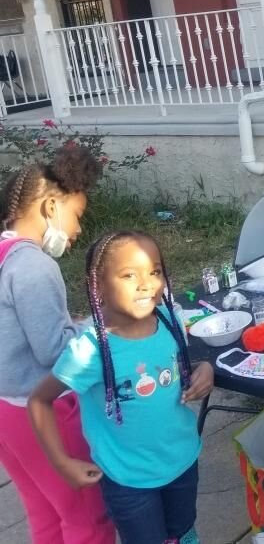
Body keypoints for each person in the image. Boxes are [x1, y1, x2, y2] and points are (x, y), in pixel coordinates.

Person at [29, 231, 214, 544]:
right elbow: (39, 401)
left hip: (182, 461)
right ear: (97, 285)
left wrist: (204, 370)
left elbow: (179, 366)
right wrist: (62, 462)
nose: (146, 284)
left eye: (154, 272)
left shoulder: (170, 319)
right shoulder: (89, 350)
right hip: (129, 481)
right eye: (129, 275)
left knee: (183, 533)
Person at [0, 146, 115, 544]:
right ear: (51, 206)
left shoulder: (4, 256)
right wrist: (99, 328)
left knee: (46, 512)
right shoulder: (34, 266)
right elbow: (55, 353)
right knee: (88, 518)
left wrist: (73, 323)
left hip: (6, 413)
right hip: (41, 411)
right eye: (77, 216)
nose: (79, 229)